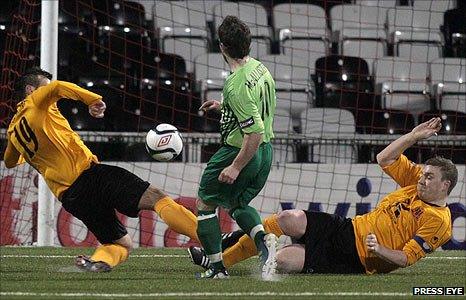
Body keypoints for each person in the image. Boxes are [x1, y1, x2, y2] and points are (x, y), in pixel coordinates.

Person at [189, 117, 457, 274]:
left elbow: (407, 258)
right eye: (423, 173)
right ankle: (224, 254)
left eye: (429, 177)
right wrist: (412, 135)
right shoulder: (414, 181)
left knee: (281, 259)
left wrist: (380, 250)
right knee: (288, 218)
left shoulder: (439, 222)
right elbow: (384, 158)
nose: (422, 178)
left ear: (445, 186)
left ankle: (224, 254)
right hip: (349, 227)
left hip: (357, 259)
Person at [4, 67, 200, 272]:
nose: (48, 94)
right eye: (43, 87)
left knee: (121, 243)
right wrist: (92, 100)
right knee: (156, 197)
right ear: (30, 89)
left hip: (71, 198)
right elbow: (58, 87)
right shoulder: (36, 102)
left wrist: (38, 155)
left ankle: (99, 262)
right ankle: (210, 239)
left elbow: (10, 161)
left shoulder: (13, 130)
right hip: (89, 177)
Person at [193, 15, 278, 280]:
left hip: (240, 151)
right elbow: (254, 114)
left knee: (205, 203)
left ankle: (217, 268)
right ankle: (264, 240)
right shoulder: (259, 68)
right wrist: (223, 108)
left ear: (222, 47)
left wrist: (235, 165)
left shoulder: (236, 84)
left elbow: (253, 131)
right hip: (265, 153)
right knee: (238, 203)